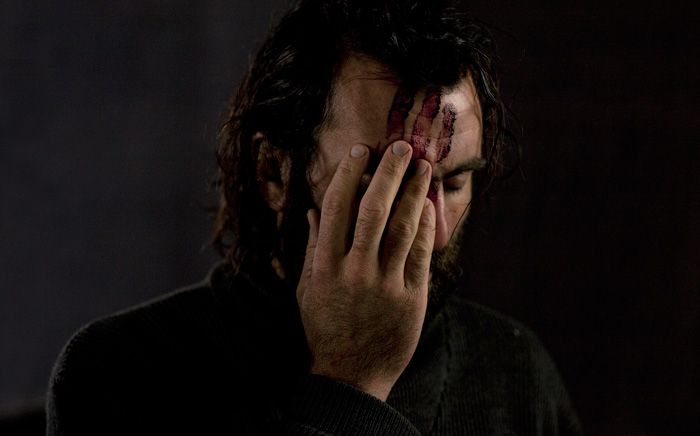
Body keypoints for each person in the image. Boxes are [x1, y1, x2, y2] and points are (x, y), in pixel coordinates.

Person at [46, 0, 584, 434]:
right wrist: (351, 388)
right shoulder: (117, 374)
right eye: (386, 183)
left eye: (453, 182)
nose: (434, 231)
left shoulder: (514, 372)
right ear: (274, 173)